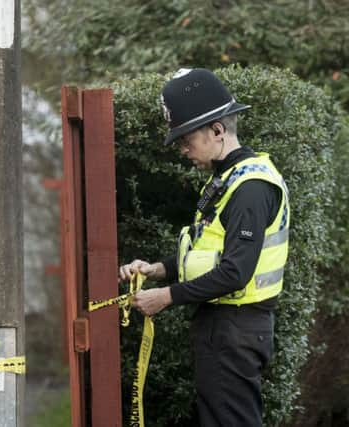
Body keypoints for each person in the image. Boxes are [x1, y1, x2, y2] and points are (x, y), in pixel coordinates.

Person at [118, 68, 289, 427]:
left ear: (217, 130)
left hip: (235, 329)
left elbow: (235, 273)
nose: (182, 149)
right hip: (225, 329)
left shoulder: (250, 188)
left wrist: (165, 296)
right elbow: (206, 256)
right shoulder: (228, 179)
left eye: (186, 139)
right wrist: (155, 269)